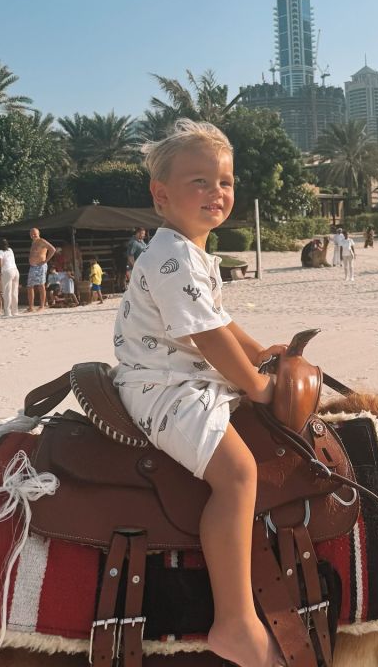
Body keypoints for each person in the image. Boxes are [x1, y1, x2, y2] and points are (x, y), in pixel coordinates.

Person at [112, 119, 286, 667]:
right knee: (237, 475)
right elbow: (208, 338)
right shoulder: (171, 258)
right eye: (200, 182)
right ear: (161, 196)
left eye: (226, 182)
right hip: (164, 387)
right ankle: (234, 621)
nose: (217, 193)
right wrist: (256, 384)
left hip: (186, 377)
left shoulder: (192, 253)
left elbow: (223, 323)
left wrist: (262, 353)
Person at [26, 228, 57, 312]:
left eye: (35, 234)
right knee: (29, 286)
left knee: (41, 285)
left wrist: (45, 261)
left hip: (40, 266)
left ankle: (42, 306)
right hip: (32, 266)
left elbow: (53, 249)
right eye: (31, 234)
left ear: (38, 233)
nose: (33, 235)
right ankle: (31, 307)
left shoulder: (42, 241)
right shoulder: (33, 242)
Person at [0, 238, 20, 318]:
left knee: (7, 292)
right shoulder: (10, 250)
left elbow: (0, 264)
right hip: (15, 270)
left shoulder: (0, 252)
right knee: (14, 292)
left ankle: (7, 312)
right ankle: (15, 311)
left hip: (7, 271)